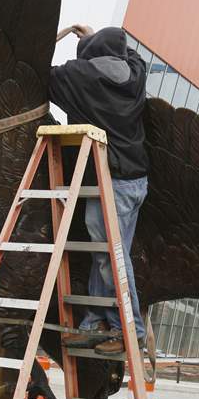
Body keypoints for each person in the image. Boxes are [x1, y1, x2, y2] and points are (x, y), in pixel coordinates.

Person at [50, 25, 148, 354]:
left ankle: (128, 329)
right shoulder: (134, 75)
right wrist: (96, 38)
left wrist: (68, 38)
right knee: (103, 254)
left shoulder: (80, 77)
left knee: (111, 256)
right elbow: (131, 55)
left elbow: (37, 69)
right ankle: (96, 322)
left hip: (111, 180)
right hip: (134, 180)